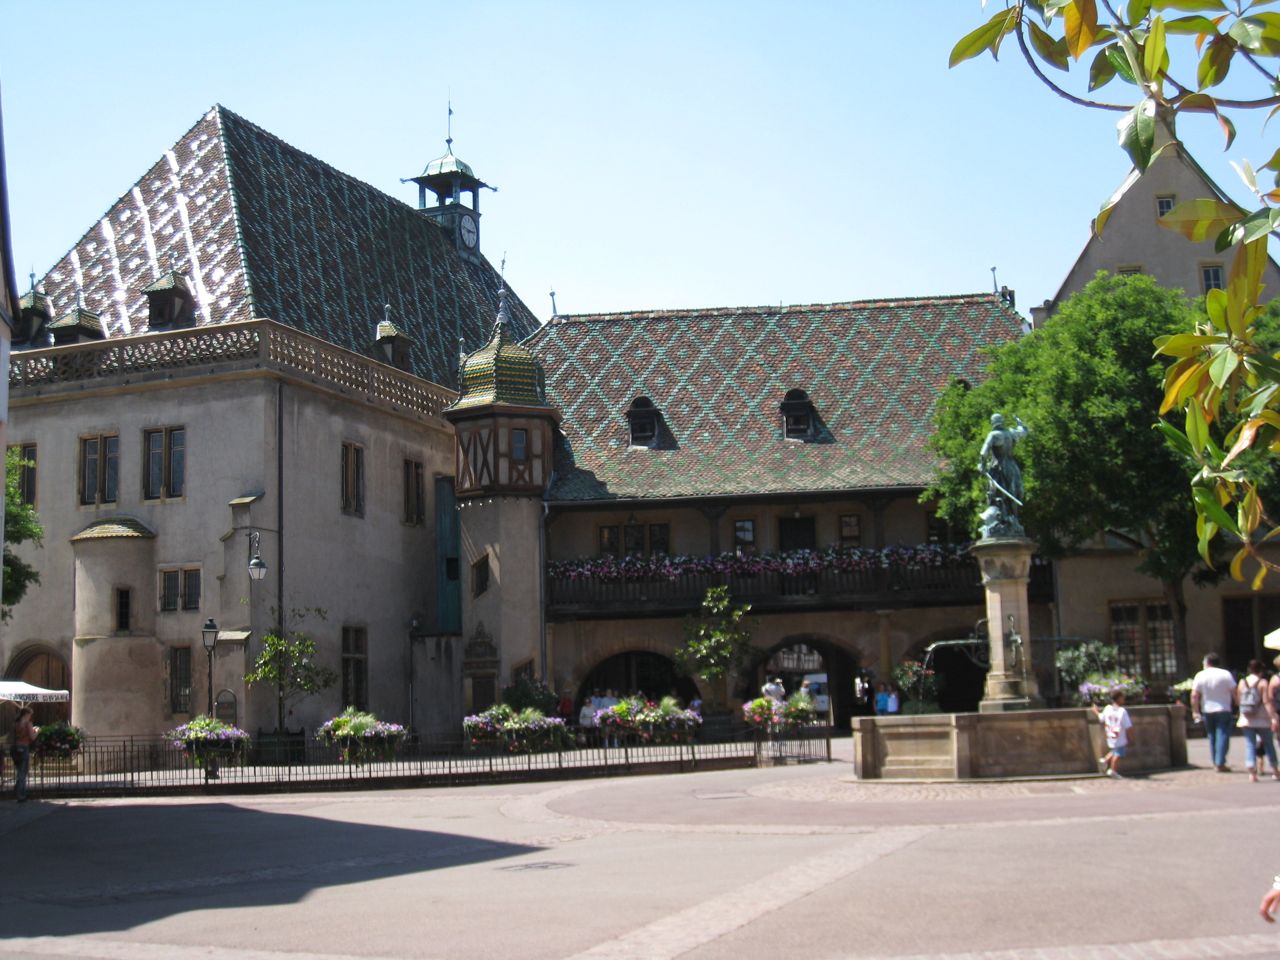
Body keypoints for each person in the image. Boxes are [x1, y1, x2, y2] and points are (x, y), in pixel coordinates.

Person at [1191, 652, 1237, 772]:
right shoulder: (1225, 674)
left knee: (1212, 736)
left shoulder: (1200, 675)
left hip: (1207, 709)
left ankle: (1216, 761)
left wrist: (1195, 711)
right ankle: (1220, 762)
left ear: (1207, 662)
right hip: (1224, 708)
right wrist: (1238, 705)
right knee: (1222, 735)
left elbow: (1194, 695)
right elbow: (1234, 692)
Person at [1238, 659, 1279, 782]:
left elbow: (1239, 700)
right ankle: (1275, 770)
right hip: (1262, 719)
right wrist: (1273, 718)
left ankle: (1252, 772)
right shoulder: (1262, 682)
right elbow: (1267, 701)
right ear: (1261, 670)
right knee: (1269, 744)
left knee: (1250, 745)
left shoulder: (1242, 682)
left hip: (1246, 718)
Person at [1092, 689, 1134, 778]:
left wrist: (1095, 711)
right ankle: (1113, 770)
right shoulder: (1122, 711)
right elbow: (1128, 726)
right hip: (1119, 734)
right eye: (1122, 698)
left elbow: (1101, 717)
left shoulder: (1108, 708)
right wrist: (1131, 737)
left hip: (1110, 733)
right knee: (1118, 753)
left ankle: (1105, 760)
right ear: (1119, 698)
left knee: (1116, 749)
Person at [10, 706, 39, 803]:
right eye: (30, 715)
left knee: (19, 771)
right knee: (23, 772)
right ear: (26, 714)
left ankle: (17, 790)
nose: (30, 717)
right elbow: (32, 737)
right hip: (24, 747)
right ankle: (21, 795)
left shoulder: (16, 723)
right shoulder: (28, 724)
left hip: (15, 748)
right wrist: (37, 731)